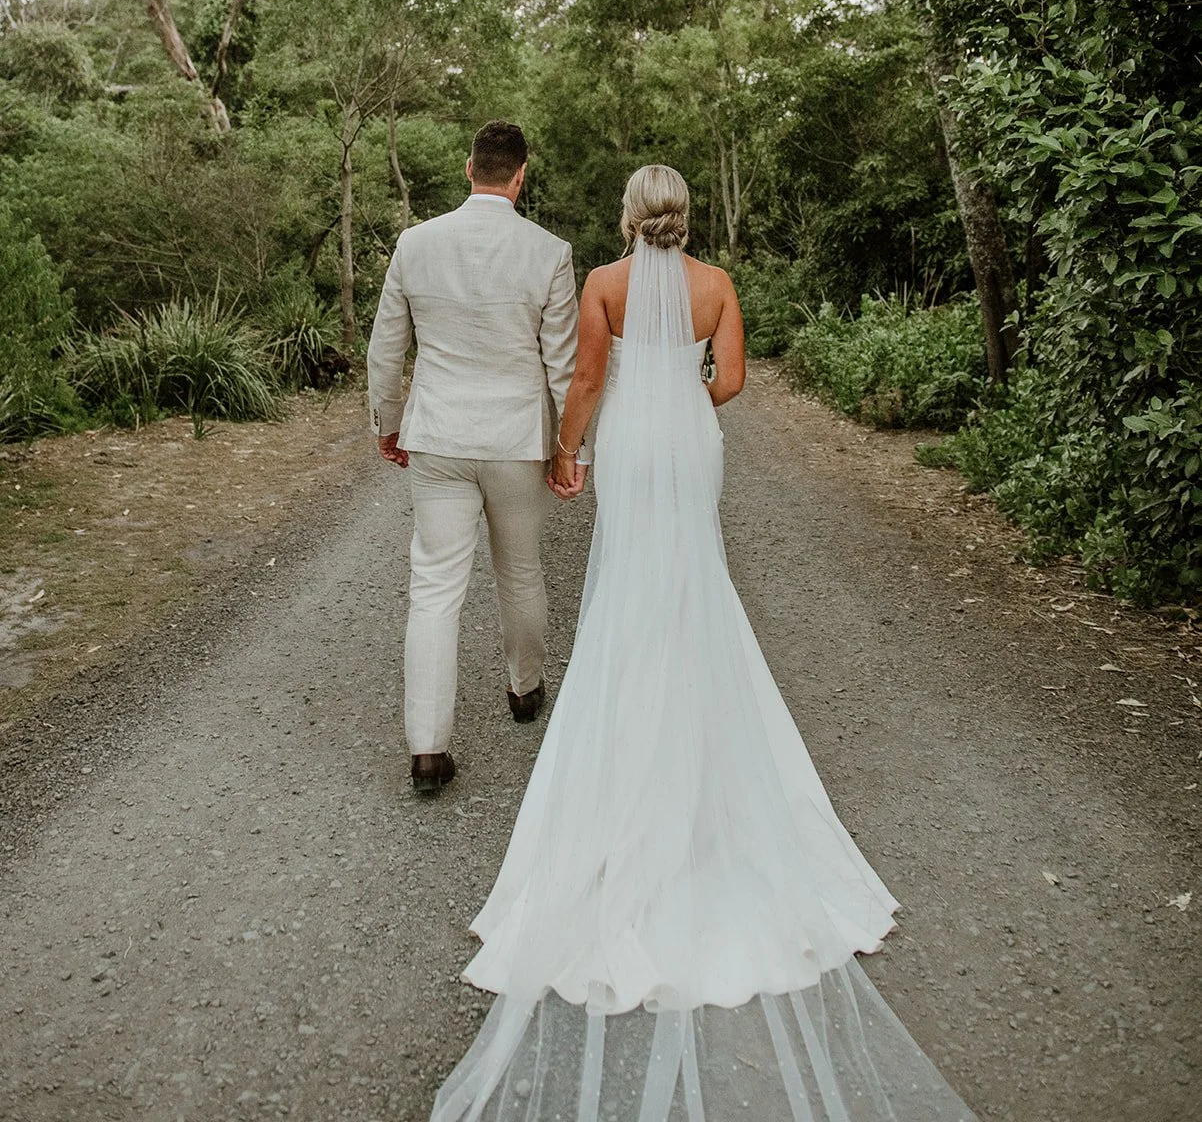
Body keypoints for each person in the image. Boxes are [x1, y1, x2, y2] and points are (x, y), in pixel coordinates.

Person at [429, 164, 977, 1121]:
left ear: (628, 217)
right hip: (688, 445)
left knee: (631, 585)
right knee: (695, 583)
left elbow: (589, 378)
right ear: (685, 215)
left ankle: (632, 732)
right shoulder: (717, 285)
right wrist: (680, 395)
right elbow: (729, 381)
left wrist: (569, 449)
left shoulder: (602, 283)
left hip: (633, 448)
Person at [366, 120, 588, 797]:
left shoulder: (415, 243)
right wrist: (569, 451)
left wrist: (389, 422)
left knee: (433, 589)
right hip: (515, 442)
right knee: (520, 572)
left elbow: (385, 349)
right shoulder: (549, 252)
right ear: (520, 175)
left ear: (470, 169)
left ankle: (427, 750)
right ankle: (525, 690)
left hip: (437, 436)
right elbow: (563, 366)